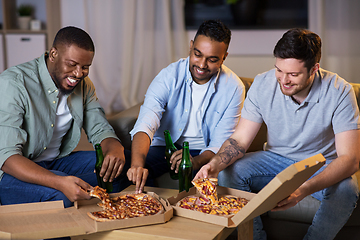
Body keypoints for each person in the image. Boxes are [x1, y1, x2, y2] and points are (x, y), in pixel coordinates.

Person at [195, 28, 360, 240]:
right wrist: (214, 164)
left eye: (293, 74)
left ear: (314, 69)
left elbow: (350, 159)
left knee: (347, 189)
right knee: (229, 171)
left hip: (321, 164)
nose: (284, 80)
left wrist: (302, 188)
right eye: (279, 70)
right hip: (275, 160)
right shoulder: (263, 84)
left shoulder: (340, 91)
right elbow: (239, 140)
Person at [0, 26, 130, 208]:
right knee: (64, 193)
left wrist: (115, 149)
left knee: (126, 166)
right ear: (53, 54)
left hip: (58, 161)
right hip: (13, 174)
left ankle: (80, 188)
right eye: (72, 64)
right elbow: (7, 158)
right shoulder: (13, 83)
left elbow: (99, 129)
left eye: (85, 67)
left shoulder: (84, 85)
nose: (78, 74)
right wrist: (59, 182)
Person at [127, 20, 245, 194]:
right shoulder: (169, 76)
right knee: (127, 171)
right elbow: (147, 120)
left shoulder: (234, 88)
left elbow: (220, 143)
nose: (202, 65)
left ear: (224, 57)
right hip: (164, 147)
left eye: (212, 60)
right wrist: (137, 166)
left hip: (202, 152)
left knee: (210, 188)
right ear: (191, 47)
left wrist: (195, 161)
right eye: (198, 54)